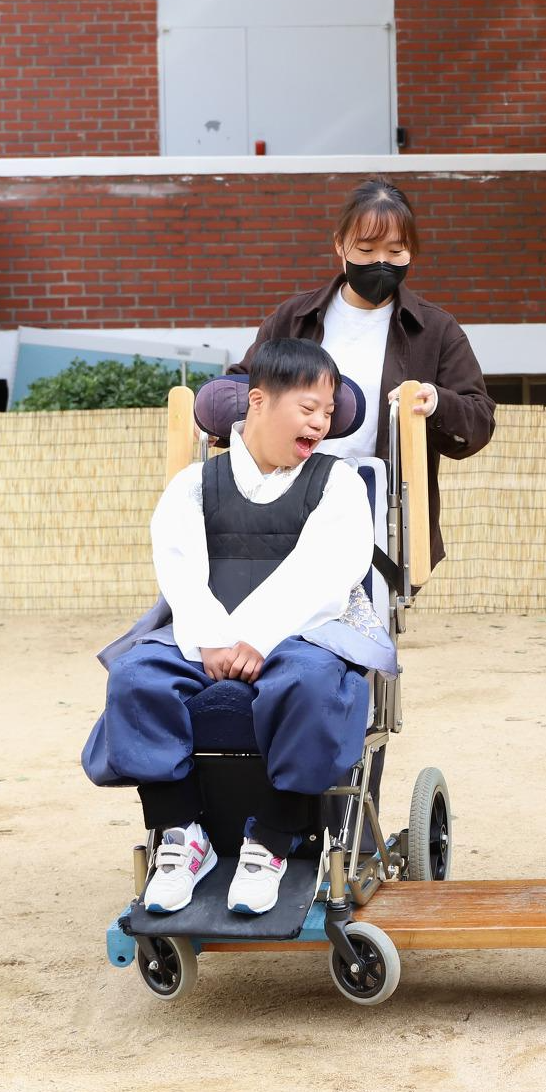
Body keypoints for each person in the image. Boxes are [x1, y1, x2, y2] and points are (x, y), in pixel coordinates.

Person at [82, 339, 396, 916]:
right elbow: (178, 568)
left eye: (329, 412)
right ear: (258, 401)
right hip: (204, 636)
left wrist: (258, 637)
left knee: (311, 683)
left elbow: (326, 572)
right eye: (308, 408)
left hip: (303, 632)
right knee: (136, 676)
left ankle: (272, 840)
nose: (321, 423)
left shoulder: (339, 483)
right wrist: (212, 638)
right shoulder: (195, 484)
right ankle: (182, 834)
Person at [229, 176, 495, 572]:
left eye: (396, 250)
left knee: (368, 603)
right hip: (286, 507)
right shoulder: (295, 318)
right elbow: (242, 388)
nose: (380, 262)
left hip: (382, 516)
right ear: (340, 244)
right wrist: (218, 412)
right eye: (367, 249)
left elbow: (478, 420)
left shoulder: (436, 330)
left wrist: (437, 403)